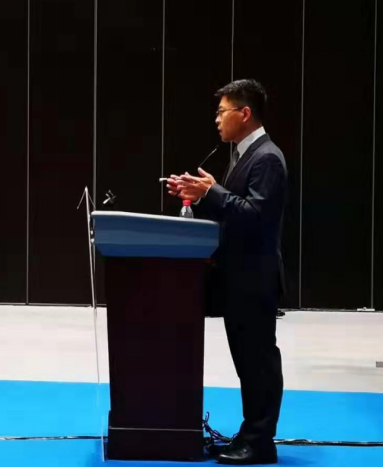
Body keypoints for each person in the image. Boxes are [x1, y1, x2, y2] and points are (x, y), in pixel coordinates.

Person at [167, 79, 287, 465]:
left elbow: (255, 215)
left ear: (244, 113)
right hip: (238, 279)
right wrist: (201, 196)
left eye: (222, 112)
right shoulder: (244, 155)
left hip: (255, 280)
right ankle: (249, 435)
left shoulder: (266, 158)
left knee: (258, 364)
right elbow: (235, 213)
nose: (217, 120)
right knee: (248, 364)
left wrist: (212, 192)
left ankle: (260, 442)